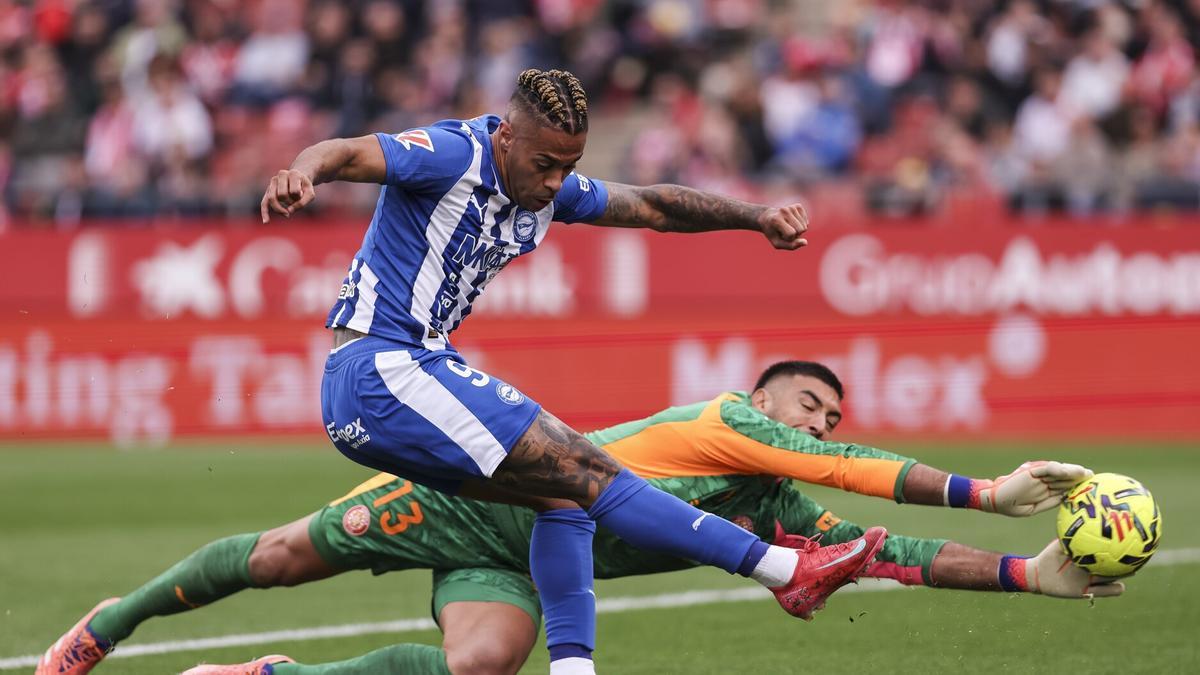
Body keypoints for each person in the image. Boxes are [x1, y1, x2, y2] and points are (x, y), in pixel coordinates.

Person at [260, 67, 883, 675]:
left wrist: (755, 216)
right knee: (584, 463)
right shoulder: (452, 153)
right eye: (545, 165)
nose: (557, 182)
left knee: (562, 500)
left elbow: (652, 206)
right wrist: (301, 173)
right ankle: (783, 571)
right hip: (382, 366)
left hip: (398, 382)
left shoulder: (546, 187)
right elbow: (345, 152)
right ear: (508, 136)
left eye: (570, 167)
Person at [38, 361, 1108, 675]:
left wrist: (1029, 574)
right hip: (471, 499)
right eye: (810, 406)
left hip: (522, 559)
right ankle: (109, 625)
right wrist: (992, 492)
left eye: (834, 415)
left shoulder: (777, 506)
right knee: (275, 557)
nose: (822, 423)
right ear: (767, 398)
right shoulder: (728, 420)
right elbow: (873, 477)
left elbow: (901, 555)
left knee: (479, 669)